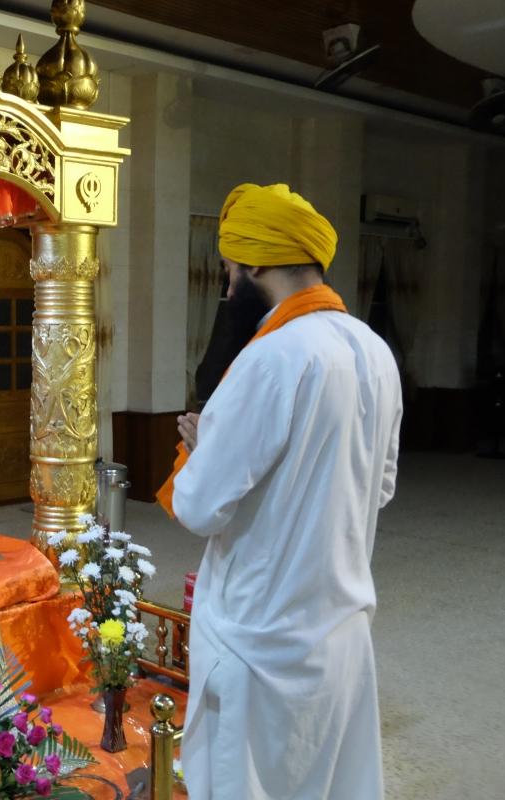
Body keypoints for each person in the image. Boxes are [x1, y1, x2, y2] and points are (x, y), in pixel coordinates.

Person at [161, 183, 402, 799]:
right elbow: (379, 488)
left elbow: (197, 505)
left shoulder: (270, 358)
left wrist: (200, 447)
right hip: (339, 626)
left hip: (256, 632)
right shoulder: (375, 351)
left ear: (254, 265)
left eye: (229, 271)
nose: (227, 286)